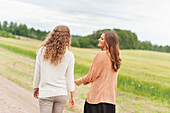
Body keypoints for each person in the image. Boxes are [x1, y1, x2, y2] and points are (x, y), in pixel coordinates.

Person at [75, 31, 122, 113]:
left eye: (102, 38)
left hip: (97, 100)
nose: (99, 39)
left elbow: (91, 75)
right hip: (110, 102)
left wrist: (80, 81)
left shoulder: (102, 55)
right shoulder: (115, 58)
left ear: (108, 42)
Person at [33, 25, 75, 113]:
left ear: (52, 36)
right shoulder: (69, 55)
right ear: (67, 38)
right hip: (61, 93)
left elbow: (38, 72)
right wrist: (72, 96)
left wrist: (36, 88)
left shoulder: (42, 51)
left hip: (46, 93)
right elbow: (70, 78)